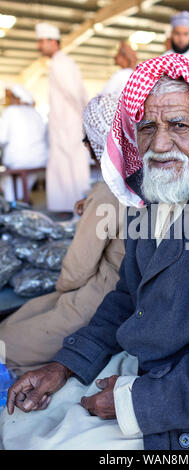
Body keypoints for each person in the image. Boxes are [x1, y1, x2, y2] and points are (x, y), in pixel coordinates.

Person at [1, 55, 189, 451]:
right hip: (148, 368)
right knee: (22, 424)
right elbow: (126, 298)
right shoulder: (155, 197)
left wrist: (133, 402)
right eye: (147, 127)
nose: (159, 144)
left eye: (179, 125)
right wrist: (65, 364)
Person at [0, 93, 125, 378]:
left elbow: (76, 271)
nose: (84, 145)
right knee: (23, 316)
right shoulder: (128, 182)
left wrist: (62, 291)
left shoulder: (109, 190)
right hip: (105, 295)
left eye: (87, 138)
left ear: (97, 141)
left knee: (6, 344)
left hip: (98, 305)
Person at [35, 22, 90, 212]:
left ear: (53, 41)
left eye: (41, 41)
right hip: (64, 126)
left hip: (70, 126)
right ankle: (70, 210)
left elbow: (73, 93)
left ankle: (79, 210)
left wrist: (85, 117)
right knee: (65, 169)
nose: (38, 46)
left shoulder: (61, 62)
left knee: (73, 169)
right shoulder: (58, 62)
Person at [0, 84, 48, 201]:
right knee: (23, 180)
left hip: (19, 160)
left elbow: (2, 138)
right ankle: (21, 199)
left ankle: (14, 205)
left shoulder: (10, 111)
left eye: (9, 97)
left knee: (6, 181)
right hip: (40, 159)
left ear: (17, 98)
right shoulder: (35, 113)